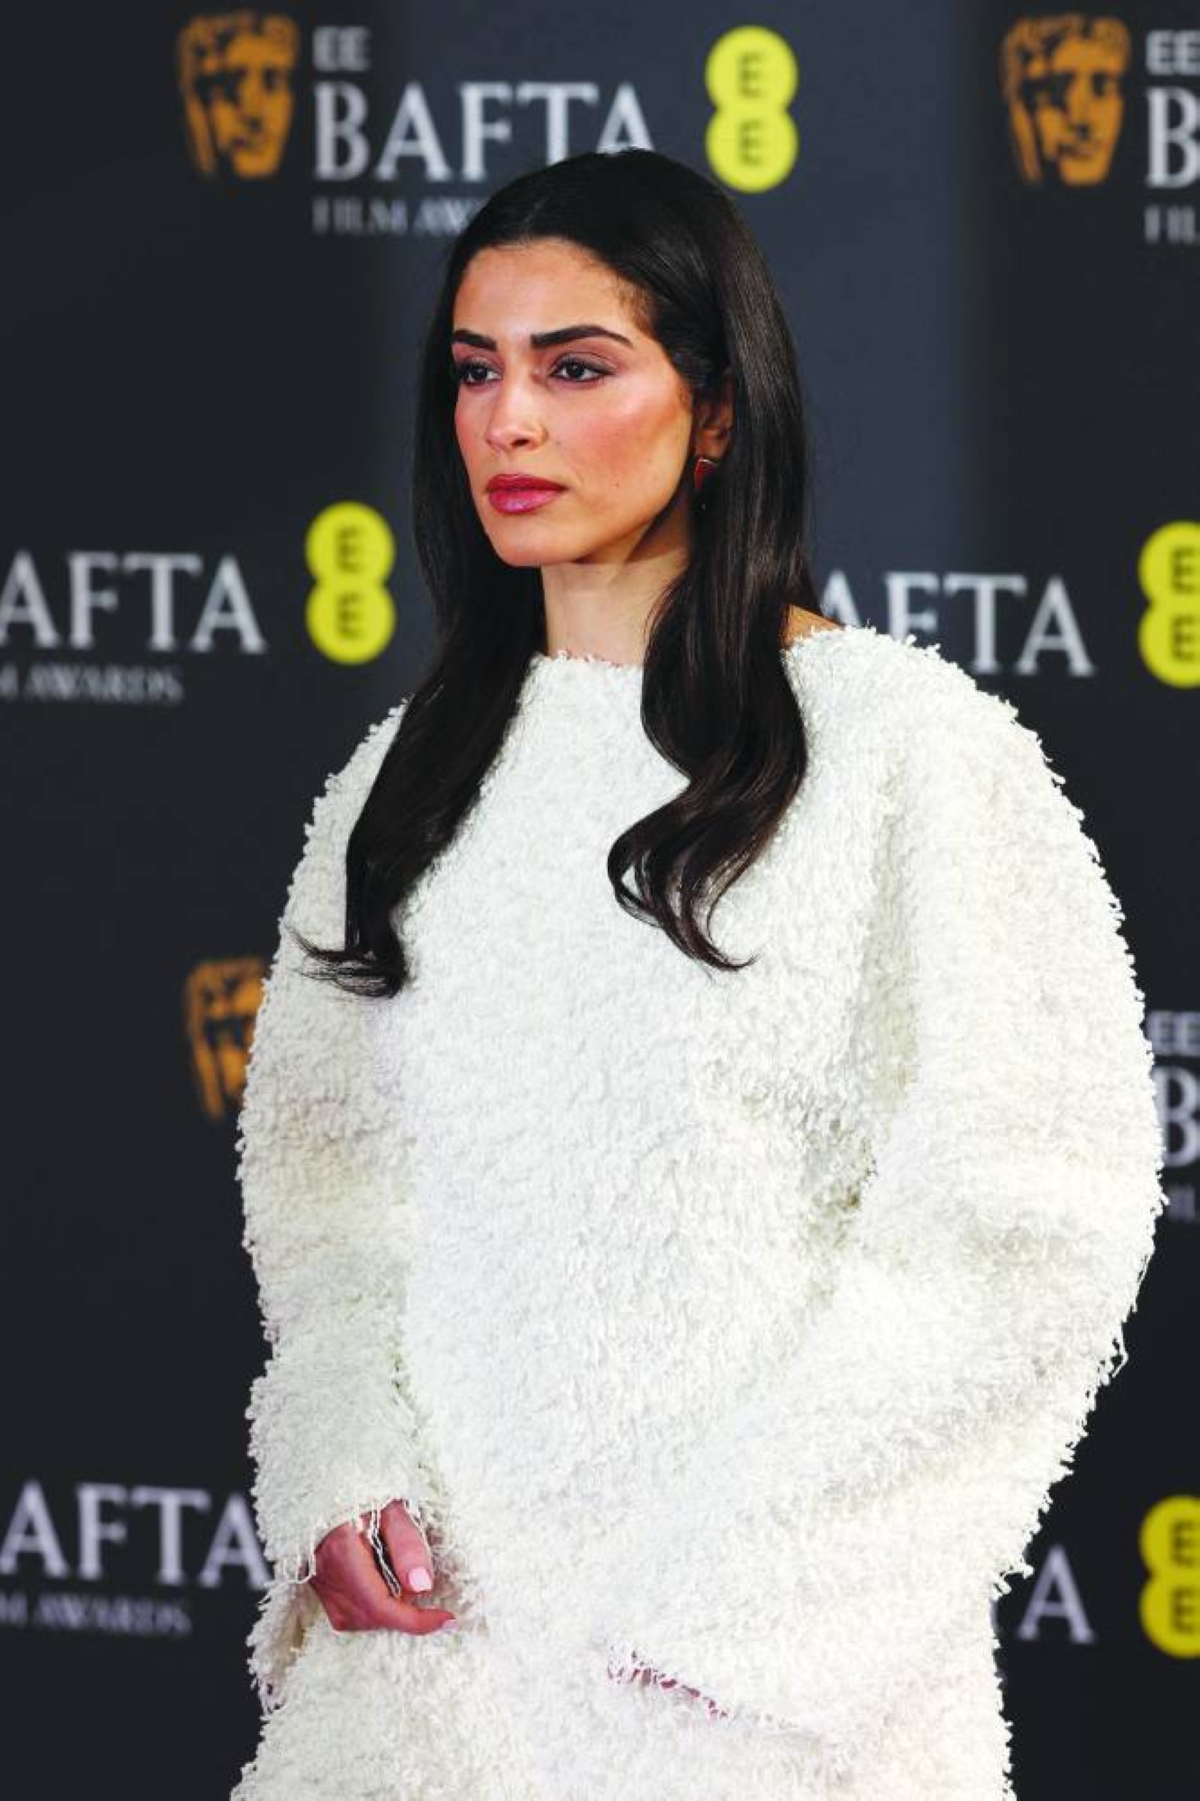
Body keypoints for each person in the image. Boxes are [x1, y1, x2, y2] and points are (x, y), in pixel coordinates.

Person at [230, 149, 1165, 1800]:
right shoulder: (400, 782)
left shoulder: (909, 756)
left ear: (717, 409)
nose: (507, 421)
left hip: (763, 1710)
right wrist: (342, 1472)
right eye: (475, 370)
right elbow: (330, 1205)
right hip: (427, 1698)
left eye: (575, 366)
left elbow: (1023, 1225)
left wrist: (751, 1623)